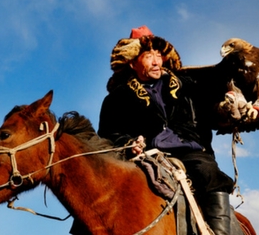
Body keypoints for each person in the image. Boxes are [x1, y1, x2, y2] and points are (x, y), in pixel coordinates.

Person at [97, 25, 239, 235]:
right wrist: (128, 144)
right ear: (132, 61)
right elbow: (108, 135)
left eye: (159, 55)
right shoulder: (116, 98)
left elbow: (214, 108)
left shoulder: (188, 86)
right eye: (148, 56)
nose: (156, 61)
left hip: (190, 152)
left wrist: (232, 105)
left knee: (210, 174)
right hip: (143, 156)